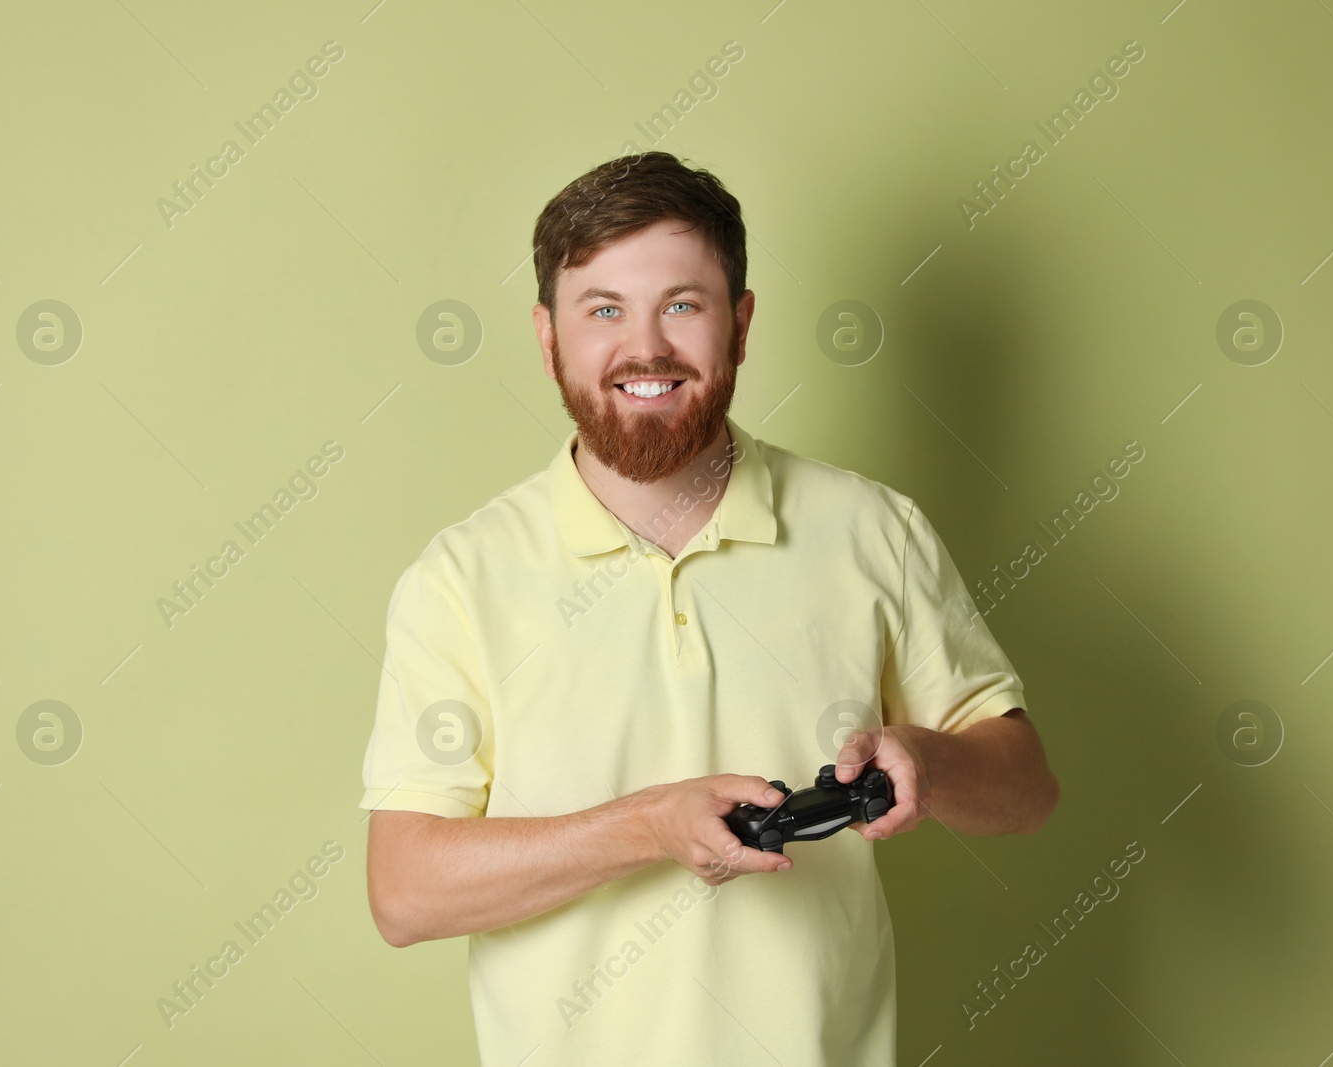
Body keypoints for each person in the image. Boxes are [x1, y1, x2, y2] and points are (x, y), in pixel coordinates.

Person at [360, 150, 1059, 1066]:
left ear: (740, 324)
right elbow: (404, 892)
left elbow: (1027, 789)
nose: (644, 348)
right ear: (547, 336)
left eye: (682, 305)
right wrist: (645, 827)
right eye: (603, 308)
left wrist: (929, 759)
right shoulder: (460, 577)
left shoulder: (870, 529)